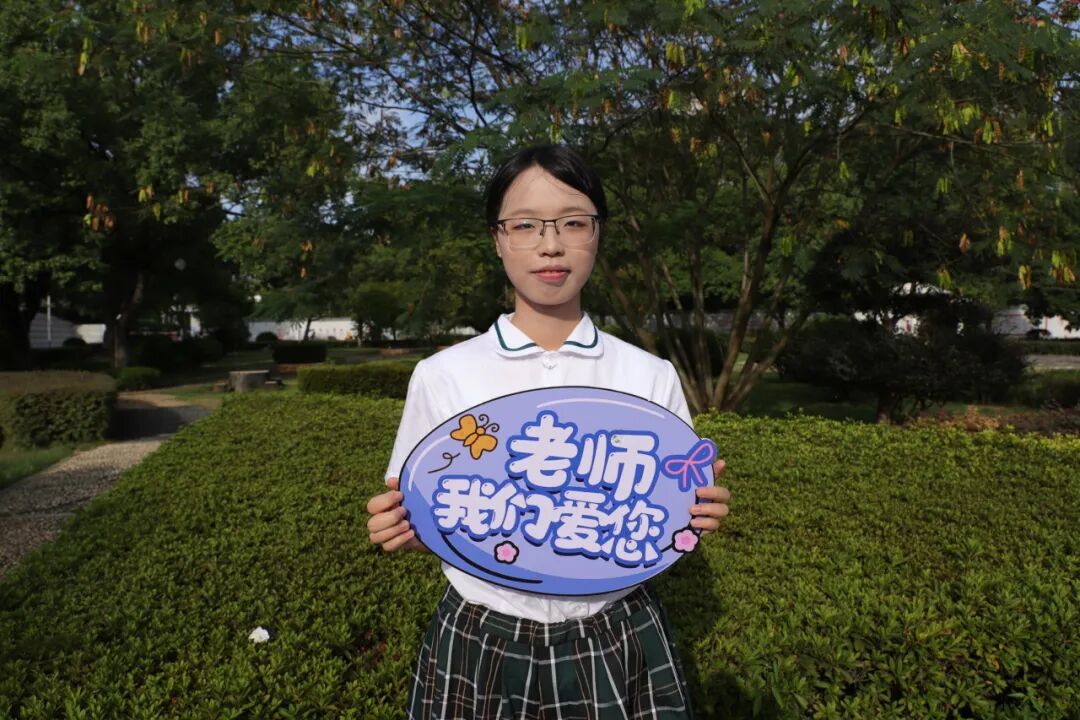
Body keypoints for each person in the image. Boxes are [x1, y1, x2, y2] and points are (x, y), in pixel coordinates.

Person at [366, 143, 731, 719]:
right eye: (526, 225)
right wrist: (406, 528)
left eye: (573, 223)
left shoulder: (648, 375)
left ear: (597, 234)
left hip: (618, 630)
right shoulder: (442, 375)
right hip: (480, 634)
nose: (550, 244)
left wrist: (697, 514)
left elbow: (668, 512)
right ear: (497, 239)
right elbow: (421, 505)